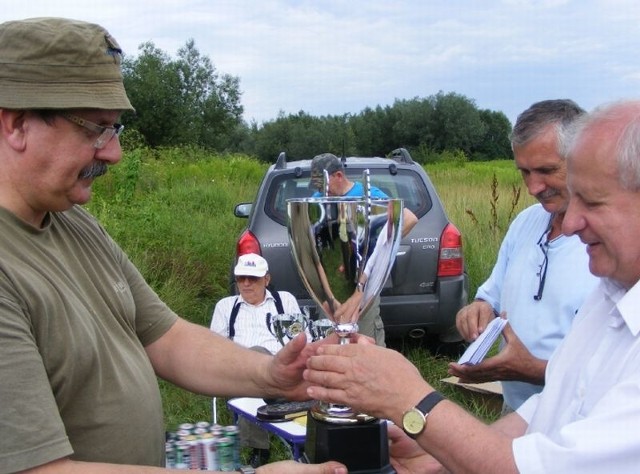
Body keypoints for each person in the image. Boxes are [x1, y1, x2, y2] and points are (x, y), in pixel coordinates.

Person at [0, 17, 346, 474]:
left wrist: (271, 375)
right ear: (18, 124)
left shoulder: (73, 223)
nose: (113, 152)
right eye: (94, 129)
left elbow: (166, 338)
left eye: (115, 129)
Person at [304, 99, 640, 473]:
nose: (572, 221)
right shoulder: (611, 292)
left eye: (592, 202)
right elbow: (548, 411)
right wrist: (440, 456)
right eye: (524, 172)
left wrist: (412, 401)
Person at [451, 99, 599, 412]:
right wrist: (477, 311)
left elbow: (613, 374)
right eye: (524, 172)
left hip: (575, 427)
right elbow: (489, 298)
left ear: (585, 158)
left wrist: (531, 369)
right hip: (515, 413)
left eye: (547, 170)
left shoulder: (610, 245)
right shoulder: (526, 222)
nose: (533, 187)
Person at [309, 153, 418, 346]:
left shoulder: (369, 195)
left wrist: (381, 249)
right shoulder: (318, 199)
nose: (320, 191)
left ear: (339, 176)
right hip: (330, 288)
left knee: (366, 340)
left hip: (363, 286)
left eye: (323, 185)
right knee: (328, 342)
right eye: (317, 187)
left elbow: (408, 218)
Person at [211, 253, 303, 467]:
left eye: (252, 278)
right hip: (242, 370)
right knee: (254, 356)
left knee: (260, 357)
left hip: (281, 367)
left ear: (266, 280)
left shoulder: (284, 300)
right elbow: (216, 350)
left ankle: (259, 450)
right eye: (241, 278)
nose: (245, 283)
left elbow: (300, 338)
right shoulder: (226, 307)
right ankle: (266, 435)